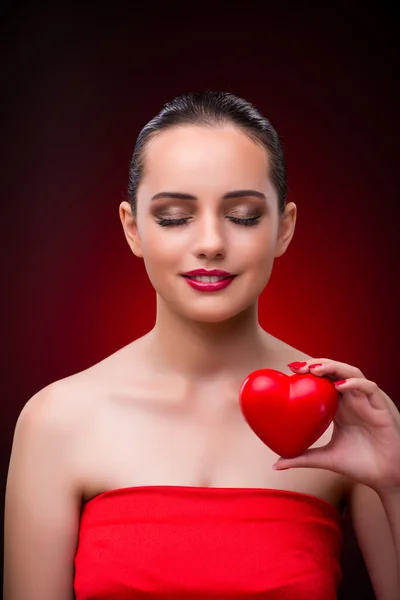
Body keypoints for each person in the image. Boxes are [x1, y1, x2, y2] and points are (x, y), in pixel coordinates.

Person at [3, 91, 400, 600]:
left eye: (243, 216)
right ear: (133, 228)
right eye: (173, 216)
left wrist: (393, 481)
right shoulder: (56, 420)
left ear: (284, 228)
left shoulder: (344, 415)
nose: (211, 241)